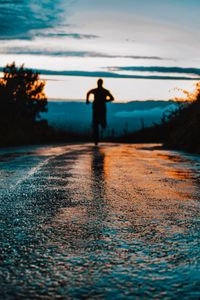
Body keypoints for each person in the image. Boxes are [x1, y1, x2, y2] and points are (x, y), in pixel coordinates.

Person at [86, 79, 114, 145]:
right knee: (95, 123)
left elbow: (112, 98)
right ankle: (96, 139)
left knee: (99, 122)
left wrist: (87, 100)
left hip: (99, 108)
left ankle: (102, 124)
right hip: (98, 108)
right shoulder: (103, 91)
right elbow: (112, 98)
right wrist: (105, 100)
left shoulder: (104, 91)